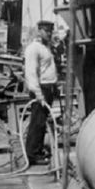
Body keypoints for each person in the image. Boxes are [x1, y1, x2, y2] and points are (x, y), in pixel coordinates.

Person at [24, 20, 59, 164]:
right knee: (37, 122)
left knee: (42, 121)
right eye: (46, 31)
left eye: (51, 31)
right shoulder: (33, 48)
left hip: (49, 88)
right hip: (41, 88)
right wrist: (38, 94)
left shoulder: (46, 47)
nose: (49, 34)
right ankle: (32, 154)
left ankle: (37, 149)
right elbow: (31, 73)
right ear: (39, 31)